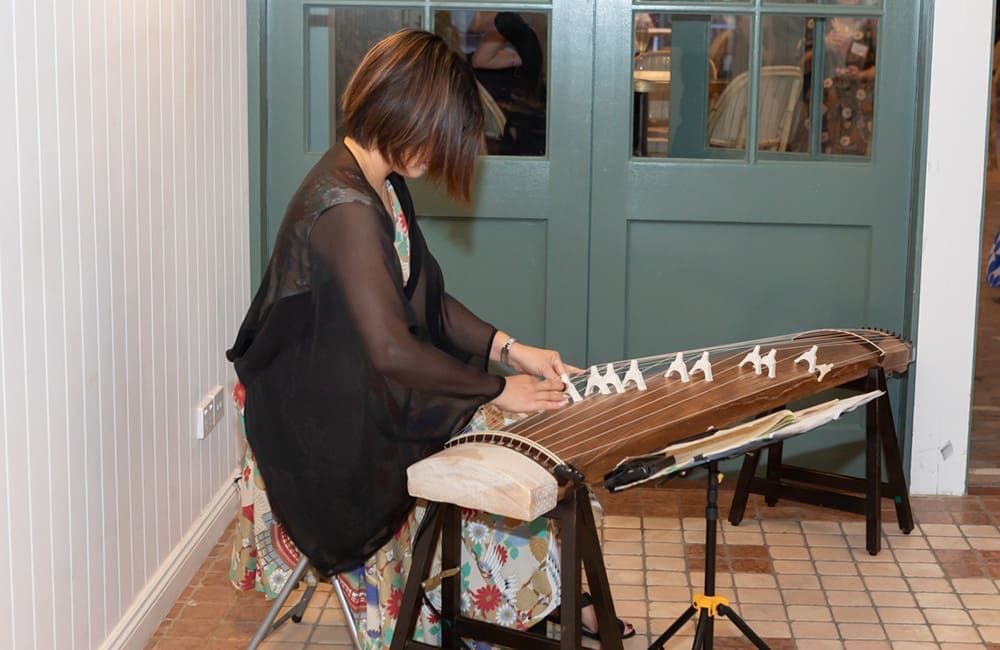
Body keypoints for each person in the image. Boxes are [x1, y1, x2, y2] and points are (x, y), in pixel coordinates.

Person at [226, 29, 632, 646]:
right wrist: (497, 390)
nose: (443, 155)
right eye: (439, 135)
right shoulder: (342, 208)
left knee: (529, 446)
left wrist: (510, 348)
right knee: (503, 442)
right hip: (323, 425)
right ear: (402, 113)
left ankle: (537, 601)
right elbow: (391, 349)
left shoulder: (378, 182)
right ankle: (493, 611)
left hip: (359, 389)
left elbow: (427, 300)